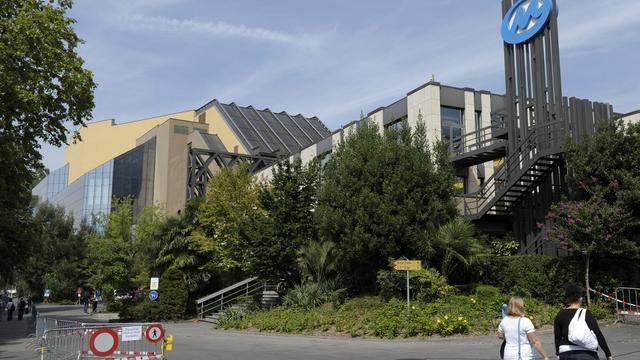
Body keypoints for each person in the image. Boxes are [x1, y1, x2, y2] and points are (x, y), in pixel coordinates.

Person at [554, 284, 613, 360]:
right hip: (586, 353)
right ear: (580, 298)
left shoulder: (560, 314)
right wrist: (608, 354)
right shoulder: (586, 314)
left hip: (565, 353)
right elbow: (598, 334)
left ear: (568, 299)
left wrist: (558, 353)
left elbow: (557, 337)